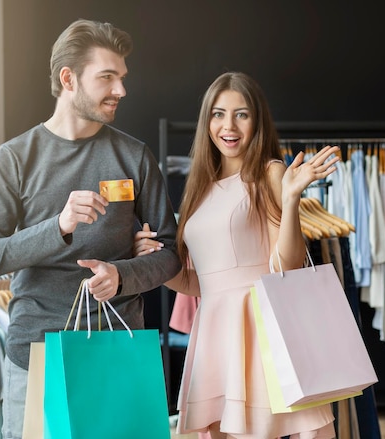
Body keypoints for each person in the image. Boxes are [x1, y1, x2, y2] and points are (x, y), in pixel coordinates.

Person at [0, 18, 181, 438]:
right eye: (107, 77)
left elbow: (172, 254)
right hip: (36, 356)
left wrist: (122, 275)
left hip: (116, 350)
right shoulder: (15, 158)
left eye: (121, 77)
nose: (120, 90)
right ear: (68, 78)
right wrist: (59, 226)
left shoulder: (135, 157)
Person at [134, 71, 340, 439]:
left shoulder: (271, 172)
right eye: (218, 114)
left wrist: (292, 199)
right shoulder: (198, 188)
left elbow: (287, 267)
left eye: (241, 114)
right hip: (215, 328)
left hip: (261, 328)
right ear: (206, 121)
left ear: (257, 120)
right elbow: (198, 284)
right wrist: (155, 261)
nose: (228, 126)